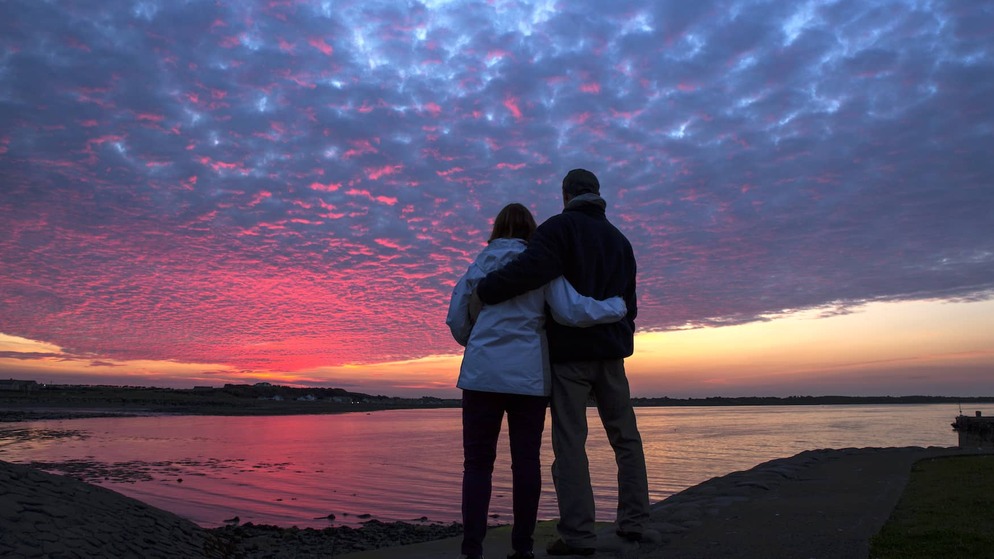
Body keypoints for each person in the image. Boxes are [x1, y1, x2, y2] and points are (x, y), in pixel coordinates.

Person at [474, 170, 651, 556]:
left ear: (566, 194)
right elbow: (631, 303)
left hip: (570, 357)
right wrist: (622, 336)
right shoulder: (621, 241)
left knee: (571, 444)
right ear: (597, 194)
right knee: (626, 438)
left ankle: (579, 536)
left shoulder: (558, 229)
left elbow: (530, 270)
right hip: (612, 356)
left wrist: (486, 289)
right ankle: (635, 523)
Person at [446, 202, 627, 559]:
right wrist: (617, 306)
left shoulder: (478, 266)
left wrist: (477, 340)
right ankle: (523, 548)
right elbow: (573, 310)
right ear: (532, 230)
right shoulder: (541, 266)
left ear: (496, 229)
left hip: (482, 376)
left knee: (477, 464)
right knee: (525, 462)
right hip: (527, 379)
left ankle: (472, 550)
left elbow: (456, 320)